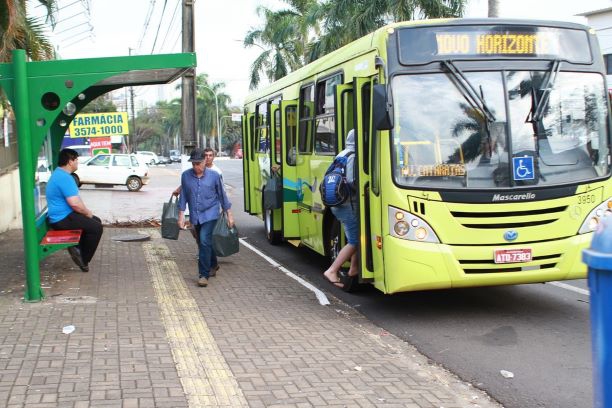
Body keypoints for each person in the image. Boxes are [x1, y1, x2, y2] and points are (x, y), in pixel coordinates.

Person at [178, 148, 234, 287]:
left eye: (198, 163)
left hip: (210, 214)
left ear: (205, 161)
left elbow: (222, 195)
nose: (196, 166)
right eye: (193, 164)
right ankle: (213, 264)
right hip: (195, 215)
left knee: (203, 240)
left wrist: (229, 214)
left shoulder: (214, 176)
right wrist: (180, 215)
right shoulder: (186, 176)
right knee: (204, 242)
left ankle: (203, 275)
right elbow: (183, 195)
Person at [46, 148, 103, 272]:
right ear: (70, 161)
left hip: (61, 216)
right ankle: (83, 259)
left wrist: (88, 214)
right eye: (76, 160)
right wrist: (87, 213)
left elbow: (76, 201)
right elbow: (75, 204)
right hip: (62, 219)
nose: (77, 162)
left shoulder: (59, 174)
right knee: (96, 228)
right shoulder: (65, 178)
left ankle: (78, 248)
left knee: (95, 221)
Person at [323, 129, 359, 288]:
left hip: (337, 203)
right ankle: (332, 270)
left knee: (358, 237)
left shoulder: (342, 154)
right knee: (354, 240)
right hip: (347, 204)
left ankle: (354, 268)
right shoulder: (353, 156)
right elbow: (351, 181)